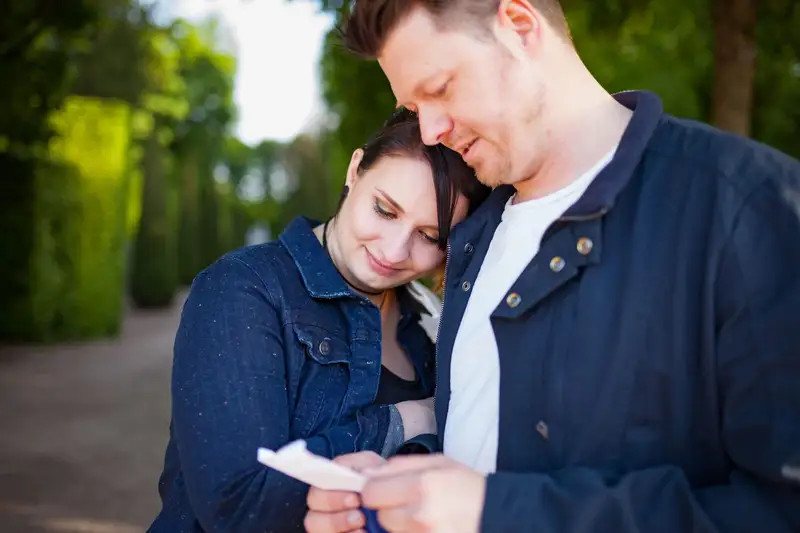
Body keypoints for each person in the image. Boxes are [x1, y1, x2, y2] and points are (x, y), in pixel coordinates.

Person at [303, 1, 800, 533]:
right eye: (413, 106)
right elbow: (486, 441)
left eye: (441, 89)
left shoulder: (746, 206)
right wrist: (400, 486)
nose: (430, 131)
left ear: (519, 26)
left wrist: (496, 511)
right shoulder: (472, 239)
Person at [147, 107, 490, 533]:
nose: (395, 250)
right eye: (385, 210)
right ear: (354, 170)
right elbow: (236, 506)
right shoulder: (243, 288)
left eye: (429, 237)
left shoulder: (431, 318)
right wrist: (404, 423)